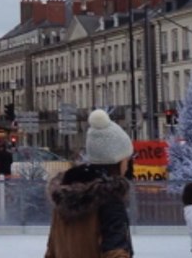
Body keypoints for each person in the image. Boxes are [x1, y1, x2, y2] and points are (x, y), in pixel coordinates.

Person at [45, 110, 133, 258]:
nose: (128, 163)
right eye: (127, 158)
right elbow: (115, 253)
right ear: (118, 160)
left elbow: (51, 252)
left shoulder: (64, 194)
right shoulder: (110, 199)